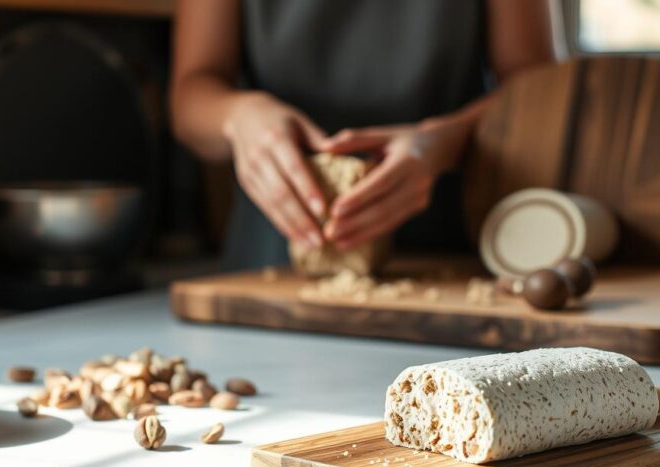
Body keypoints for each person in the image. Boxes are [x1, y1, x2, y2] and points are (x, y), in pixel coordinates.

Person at [170, 0, 554, 269]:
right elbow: (190, 94)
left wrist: (445, 141)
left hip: (450, 239)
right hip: (273, 248)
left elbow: (535, 88)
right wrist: (239, 116)